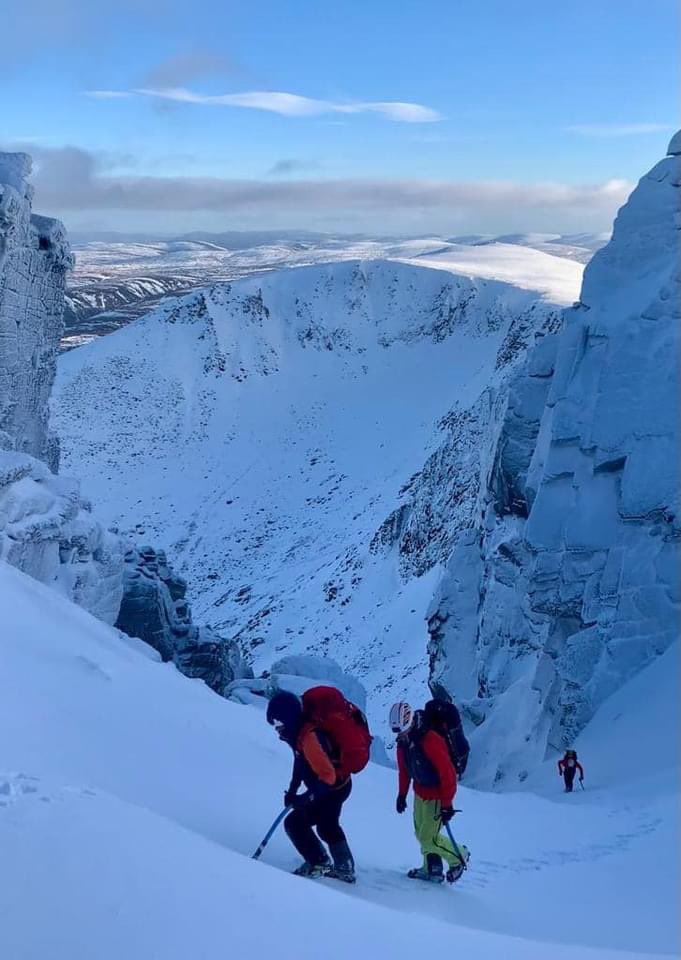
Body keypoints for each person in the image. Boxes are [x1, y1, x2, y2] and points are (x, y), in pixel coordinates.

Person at [266, 690, 356, 882]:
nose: (277, 729)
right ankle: (342, 866)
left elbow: (328, 776)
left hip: (333, 789)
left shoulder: (309, 739)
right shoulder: (300, 735)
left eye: (278, 723)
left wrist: (306, 797)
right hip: (335, 787)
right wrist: (292, 790)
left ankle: (322, 862)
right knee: (326, 825)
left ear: (289, 718)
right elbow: (300, 763)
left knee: (296, 823)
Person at [391, 701, 470, 884]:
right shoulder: (404, 742)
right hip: (420, 792)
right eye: (396, 731)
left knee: (429, 838)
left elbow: (448, 774)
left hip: (437, 795)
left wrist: (447, 804)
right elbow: (404, 770)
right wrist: (402, 795)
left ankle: (459, 856)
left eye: (401, 729)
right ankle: (432, 868)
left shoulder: (430, 739)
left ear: (410, 721)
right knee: (421, 833)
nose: (399, 734)